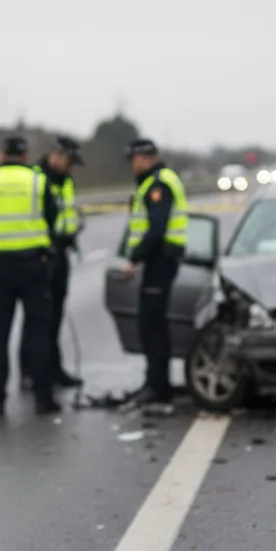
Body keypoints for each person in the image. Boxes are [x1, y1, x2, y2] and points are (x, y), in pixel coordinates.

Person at [0, 134, 62, 417]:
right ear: (25, 155)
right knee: (38, 333)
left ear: (2, 154)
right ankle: (43, 397)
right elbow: (52, 217)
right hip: (34, 265)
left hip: (0, 267)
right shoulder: (38, 181)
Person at [119, 138, 188, 406]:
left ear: (144, 158)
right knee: (152, 323)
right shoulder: (158, 180)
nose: (132, 166)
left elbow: (156, 228)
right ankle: (156, 383)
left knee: (152, 325)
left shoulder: (158, 184)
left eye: (134, 160)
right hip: (162, 260)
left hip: (161, 260)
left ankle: (157, 386)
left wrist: (133, 259)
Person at [20, 135, 86, 391]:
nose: (70, 168)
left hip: (61, 252)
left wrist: (73, 230)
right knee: (37, 317)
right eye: (69, 162)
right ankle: (30, 369)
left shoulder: (65, 181)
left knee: (55, 315)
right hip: (40, 255)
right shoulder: (36, 179)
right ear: (55, 155)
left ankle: (53, 368)